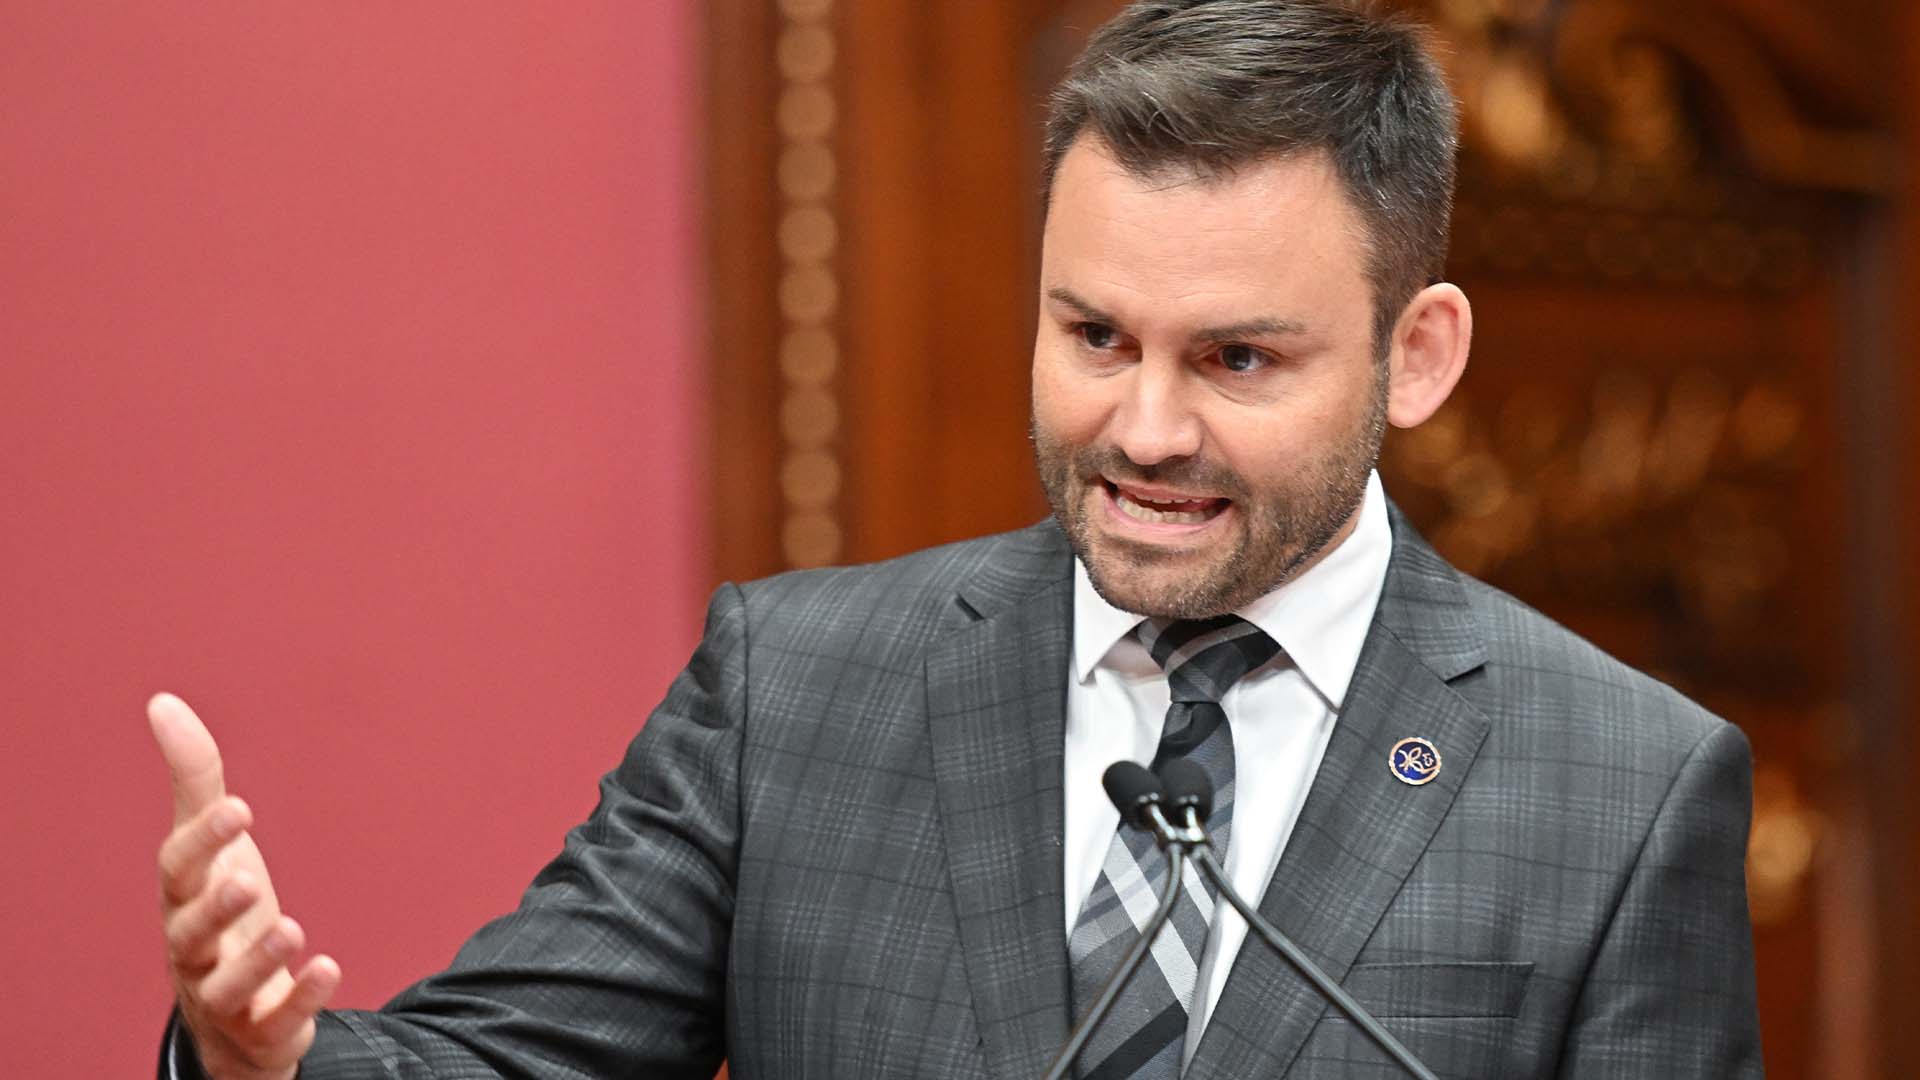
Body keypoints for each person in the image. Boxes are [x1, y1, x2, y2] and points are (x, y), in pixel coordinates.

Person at [151, 1, 1763, 1077]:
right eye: (1094, 336)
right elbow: (499, 1063)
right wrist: (269, 1057)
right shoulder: (797, 691)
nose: (1143, 431)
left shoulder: (1621, 789)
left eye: (1237, 359)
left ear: (1419, 357)